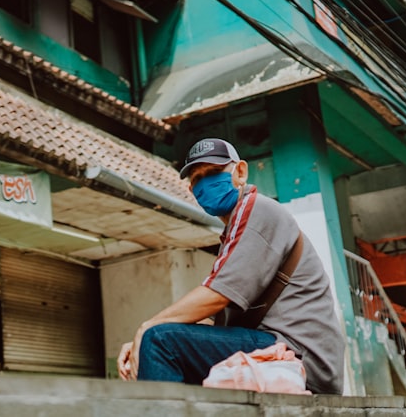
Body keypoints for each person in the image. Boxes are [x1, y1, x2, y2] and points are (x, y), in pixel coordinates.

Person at [117, 137, 344, 394]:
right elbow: (218, 324)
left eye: (214, 172)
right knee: (167, 344)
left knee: (159, 340)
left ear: (240, 172)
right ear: (192, 191)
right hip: (282, 348)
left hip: (300, 355)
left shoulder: (258, 209)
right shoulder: (234, 233)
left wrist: (146, 328)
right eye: (197, 179)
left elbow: (216, 295)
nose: (206, 183)